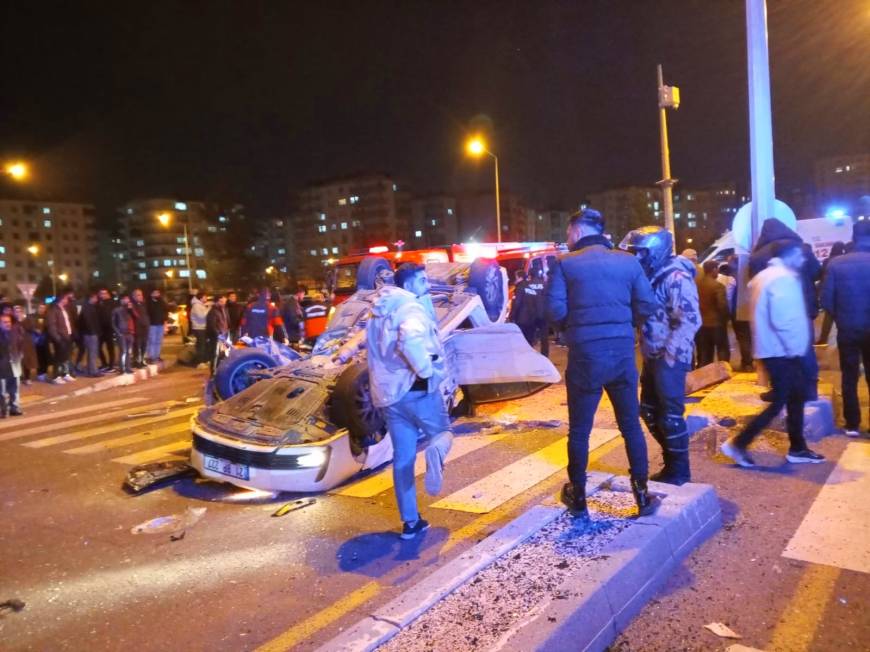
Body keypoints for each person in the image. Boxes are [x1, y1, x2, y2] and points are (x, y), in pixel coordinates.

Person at [546, 209, 660, 518]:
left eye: (569, 233)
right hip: (622, 354)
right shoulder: (628, 261)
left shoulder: (565, 264)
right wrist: (624, 325)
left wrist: (577, 329)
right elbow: (647, 305)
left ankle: (578, 496)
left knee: (580, 430)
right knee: (630, 425)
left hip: (585, 357)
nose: (567, 239)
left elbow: (555, 310)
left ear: (578, 231)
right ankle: (642, 494)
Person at [364, 262, 453, 539]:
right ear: (410, 283)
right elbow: (410, 340)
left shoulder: (377, 310)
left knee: (403, 458)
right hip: (416, 389)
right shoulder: (410, 308)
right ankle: (436, 453)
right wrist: (427, 371)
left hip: (389, 395)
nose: (427, 285)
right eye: (423, 280)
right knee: (443, 434)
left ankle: (410, 522)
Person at [721, 241, 825, 466]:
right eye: (798, 255)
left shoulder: (765, 277)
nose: (802, 259)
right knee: (780, 401)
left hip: (774, 349)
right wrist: (796, 350)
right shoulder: (782, 279)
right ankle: (739, 444)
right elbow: (784, 319)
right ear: (788, 255)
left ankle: (798, 448)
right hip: (783, 351)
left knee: (795, 398)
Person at [621, 226, 701, 486]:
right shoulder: (652, 275)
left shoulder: (676, 276)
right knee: (649, 411)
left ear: (656, 250)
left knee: (671, 415)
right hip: (653, 354)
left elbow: (689, 319)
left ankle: (679, 471)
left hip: (670, 356)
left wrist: (670, 356)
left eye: (641, 252)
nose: (638, 258)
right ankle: (671, 462)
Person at [749, 219, 821, 400]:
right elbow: (817, 272)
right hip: (803, 305)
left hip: (772, 308)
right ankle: (810, 388)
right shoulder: (802, 248)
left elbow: (754, 282)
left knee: (777, 349)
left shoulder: (758, 256)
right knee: (805, 347)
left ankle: (779, 391)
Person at [820, 222, 870, 436]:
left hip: (848, 328)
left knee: (849, 376)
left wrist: (842, 316)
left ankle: (852, 424)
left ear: (854, 236)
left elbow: (827, 302)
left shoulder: (836, 264)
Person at [509, 260, 548, 356]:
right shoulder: (545, 285)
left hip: (530, 314)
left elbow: (519, 302)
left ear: (529, 275)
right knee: (544, 338)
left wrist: (512, 315)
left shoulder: (525, 285)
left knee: (529, 336)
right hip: (543, 314)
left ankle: (530, 355)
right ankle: (545, 356)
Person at [695, 259, 730, 367]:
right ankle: (723, 374)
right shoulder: (718, 286)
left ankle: (705, 377)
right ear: (714, 270)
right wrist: (726, 319)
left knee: (705, 353)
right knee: (722, 350)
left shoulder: (696, 285)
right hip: (717, 324)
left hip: (701, 324)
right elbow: (722, 306)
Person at [816, 241, 846, 346]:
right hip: (842, 292)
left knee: (828, 318)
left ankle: (823, 340)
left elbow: (822, 277)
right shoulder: (844, 261)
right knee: (844, 317)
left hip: (829, 292)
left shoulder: (826, 261)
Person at [47, 291, 76, 384]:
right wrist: (57, 338)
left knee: (66, 357)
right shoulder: (53, 310)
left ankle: (65, 374)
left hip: (68, 336)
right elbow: (52, 326)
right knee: (58, 358)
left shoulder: (64, 309)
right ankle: (56, 376)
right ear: (62, 299)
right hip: (60, 338)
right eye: (66, 298)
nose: (67, 300)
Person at [0, 312, 24, 417]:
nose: (7, 324)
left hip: (14, 364)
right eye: (4, 322)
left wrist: (20, 355)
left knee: (14, 388)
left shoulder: (14, 333)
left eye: (9, 322)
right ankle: (3, 409)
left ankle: (14, 407)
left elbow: (20, 345)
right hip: (2, 367)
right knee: (3, 390)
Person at [77, 291, 102, 377]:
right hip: (90, 334)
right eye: (95, 298)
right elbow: (88, 322)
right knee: (92, 353)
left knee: (92, 353)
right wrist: (93, 331)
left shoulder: (90, 307)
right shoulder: (87, 307)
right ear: (91, 298)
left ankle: (91, 370)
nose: (96, 299)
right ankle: (93, 371)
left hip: (91, 333)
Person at [11, 305, 38, 386]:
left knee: (27, 361)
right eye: (16, 311)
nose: (18, 313)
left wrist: (22, 320)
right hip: (16, 344)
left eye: (19, 311)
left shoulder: (27, 319)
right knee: (17, 361)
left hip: (27, 343)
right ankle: (18, 378)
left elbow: (32, 328)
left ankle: (27, 378)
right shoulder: (12, 321)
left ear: (22, 312)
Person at [205, 294, 229, 373]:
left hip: (223, 335)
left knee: (222, 354)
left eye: (225, 301)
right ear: (218, 301)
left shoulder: (223, 309)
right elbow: (211, 325)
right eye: (222, 301)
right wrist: (218, 335)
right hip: (217, 337)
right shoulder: (213, 312)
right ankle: (214, 371)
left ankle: (219, 370)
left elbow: (225, 321)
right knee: (215, 354)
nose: (224, 303)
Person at [112, 294, 135, 374]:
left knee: (129, 351)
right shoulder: (116, 310)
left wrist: (131, 309)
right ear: (121, 300)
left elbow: (136, 318)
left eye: (128, 299)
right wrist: (118, 333)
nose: (127, 300)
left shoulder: (130, 309)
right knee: (123, 351)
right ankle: (122, 368)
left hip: (130, 333)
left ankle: (128, 367)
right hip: (121, 333)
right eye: (125, 299)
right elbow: (113, 323)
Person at [146, 288, 169, 363]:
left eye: (158, 293)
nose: (157, 294)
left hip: (160, 324)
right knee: (152, 341)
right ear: (151, 294)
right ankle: (151, 357)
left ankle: (157, 356)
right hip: (152, 325)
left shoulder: (161, 302)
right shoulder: (148, 303)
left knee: (159, 341)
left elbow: (166, 310)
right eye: (155, 293)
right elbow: (148, 313)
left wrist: (165, 320)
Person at [130, 289, 150, 368]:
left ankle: (142, 360)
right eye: (138, 295)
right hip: (137, 329)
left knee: (144, 345)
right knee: (137, 346)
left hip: (145, 328)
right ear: (133, 296)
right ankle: (136, 361)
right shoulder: (132, 305)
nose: (140, 296)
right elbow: (134, 316)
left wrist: (147, 323)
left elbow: (146, 315)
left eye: (141, 295)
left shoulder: (143, 304)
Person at [97, 288, 116, 371]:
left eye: (104, 293)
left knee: (110, 347)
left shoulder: (112, 303)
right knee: (98, 347)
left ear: (107, 294)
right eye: (101, 293)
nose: (103, 295)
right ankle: (104, 364)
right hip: (100, 329)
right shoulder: (98, 303)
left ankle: (111, 365)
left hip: (109, 329)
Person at [189, 293, 209, 365]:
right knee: (201, 345)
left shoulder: (200, 305)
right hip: (199, 328)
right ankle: (199, 362)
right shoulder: (196, 306)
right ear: (201, 298)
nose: (206, 299)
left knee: (203, 345)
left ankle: (202, 360)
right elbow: (201, 316)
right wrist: (208, 309)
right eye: (205, 297)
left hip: (202, 327)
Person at [33, 303, 51, 381]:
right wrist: (35, 330)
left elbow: (48, 327)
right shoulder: (33, 316)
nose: (42, 309)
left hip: (45, 340)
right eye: (40, 307)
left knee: (46, 357)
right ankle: (40, 374)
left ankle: (45, 372)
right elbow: (31, 326)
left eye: (43, 308)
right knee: (39, 358)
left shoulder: (46, 317)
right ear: (37, 308)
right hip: (37, 341)